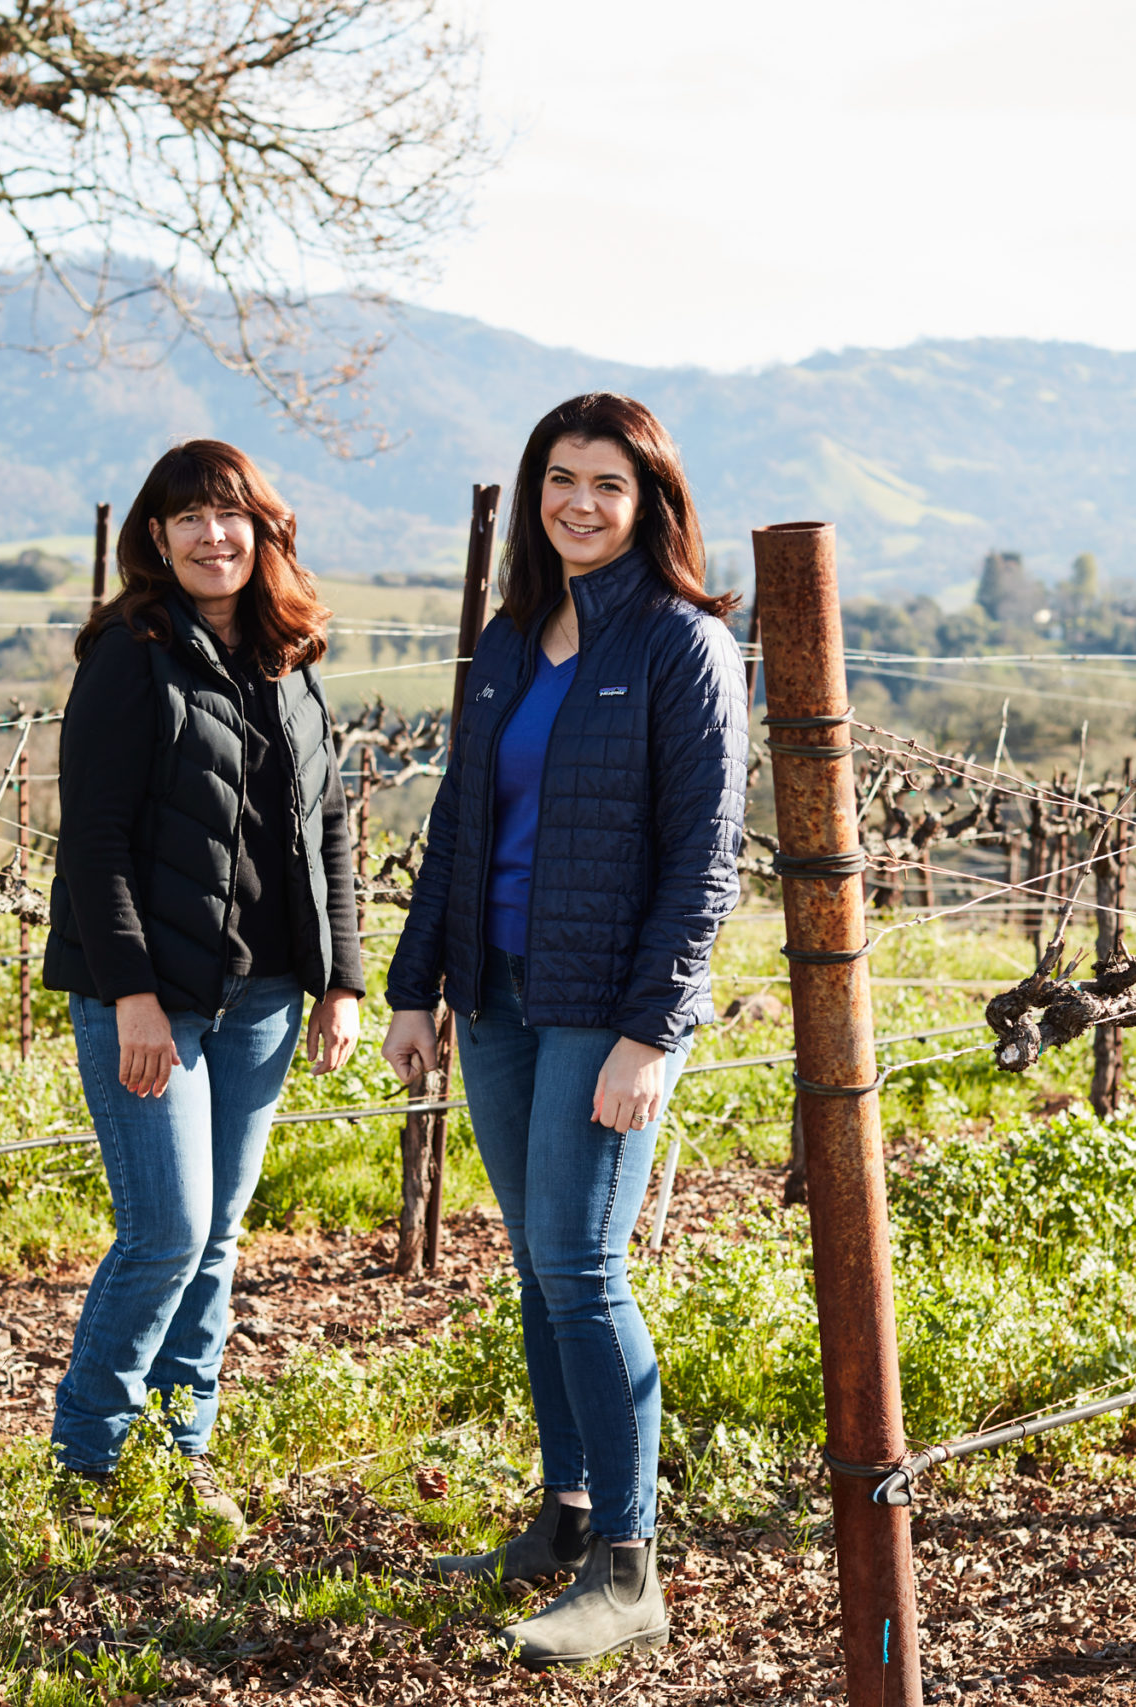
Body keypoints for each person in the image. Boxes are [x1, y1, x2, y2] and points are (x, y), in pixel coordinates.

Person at [381, 393, 747, 1665]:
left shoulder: (679, 645)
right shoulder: (506, 639)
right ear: (534, 491)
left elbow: (704, 865)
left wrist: (653, 1033)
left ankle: (631, 1571)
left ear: (649, 502)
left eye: (608, 483)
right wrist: (414, 989)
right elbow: (457, 831)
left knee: (585, 1269)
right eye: (559, 479)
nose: (579, 503)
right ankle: (565, 1518)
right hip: (497, 999)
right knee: (538, 1268)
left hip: (606, 1009)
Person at [42, 439, 363, 1534]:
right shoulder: (129, 660)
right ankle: (85, 1462)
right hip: (155, 1001)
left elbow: (329, 822)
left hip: (267, 998)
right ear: (156, 538)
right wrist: (131, 995)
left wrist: (342, 980)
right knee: (166, 1231)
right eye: (187, 519)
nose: (211, 536)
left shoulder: (291, 656)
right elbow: (93, 842)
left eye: (230, 516)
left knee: (218, 1235)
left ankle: (181, 1457)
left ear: (265, 531)